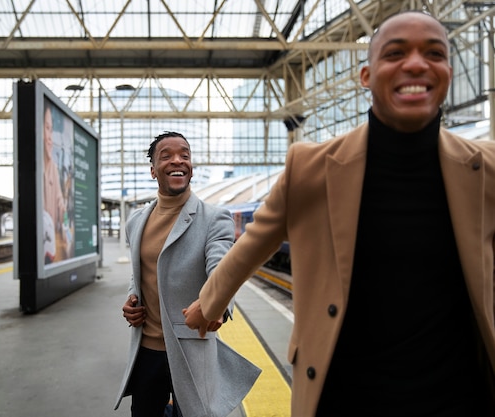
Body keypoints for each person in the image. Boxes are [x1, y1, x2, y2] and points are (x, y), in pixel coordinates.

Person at [184, 11, 495, 417]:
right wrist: (209, 303)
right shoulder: (312, 166)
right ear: (365, 76)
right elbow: (253, 243)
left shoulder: (484, 168)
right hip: (345, 392)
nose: (417, 63)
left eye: (434, 53)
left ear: (448, 72)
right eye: (396, 53)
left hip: (456, 394)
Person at [114, 131, 260, 417]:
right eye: (166, 156)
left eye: (184, 155)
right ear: (153, 170)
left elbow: (221, 269)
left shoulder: (214, 218)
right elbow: (140, 272)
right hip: (146, 350)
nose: (177, 160)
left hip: (192, 349)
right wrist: (132, 298)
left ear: (191, 166)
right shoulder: (136, 221)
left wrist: (216, 307)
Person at [42, 102, 68, 262]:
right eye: (46, 128)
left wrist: (64, 225)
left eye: (51, 129)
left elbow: (60, 203)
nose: (50, 137)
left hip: (50, 243)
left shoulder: (53, 167)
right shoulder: (36, 167)